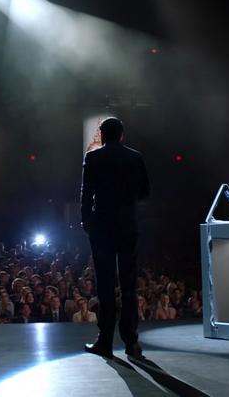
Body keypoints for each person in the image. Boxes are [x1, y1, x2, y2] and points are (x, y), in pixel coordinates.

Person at [80, 117, 149, 359]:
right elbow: (145, 191)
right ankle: (131, 343)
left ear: (101, 135)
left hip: (102, 228)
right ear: (122, 135)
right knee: (129, 286)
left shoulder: (93, 158)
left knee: (106, 286)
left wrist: (87, 223)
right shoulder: (135, 157)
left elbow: (86, 194)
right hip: (128, 226)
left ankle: (105, 342)